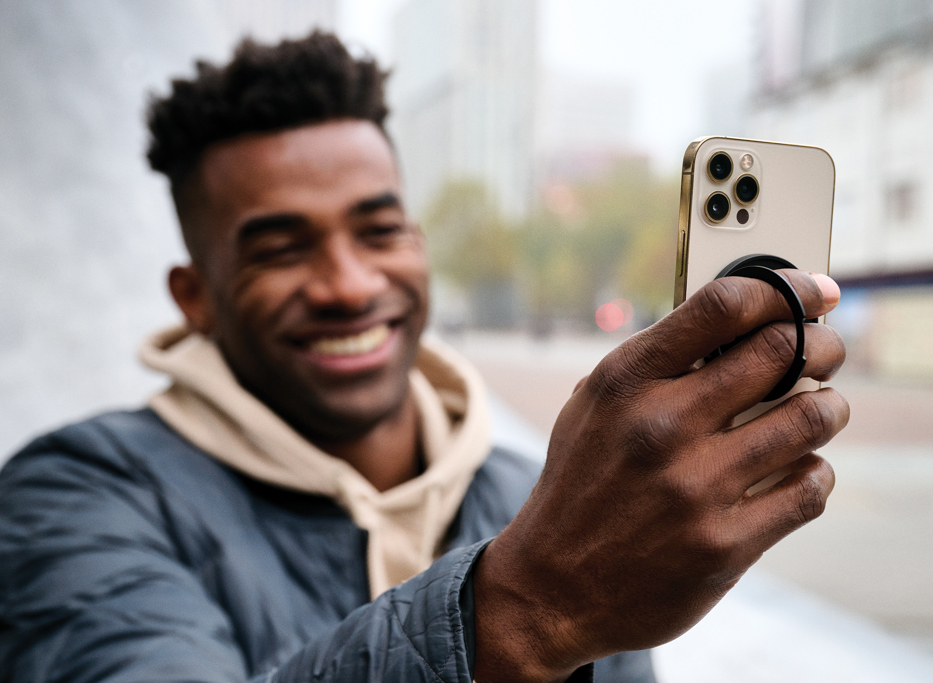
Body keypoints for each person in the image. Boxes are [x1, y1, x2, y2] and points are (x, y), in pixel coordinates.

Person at [0, 32, 849, 683]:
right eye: (281, 248)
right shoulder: (71, 496)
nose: (348, 284)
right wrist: (530, 607)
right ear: (195, 296)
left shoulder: (542, 494)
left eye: (379, 230)